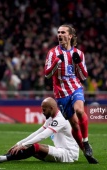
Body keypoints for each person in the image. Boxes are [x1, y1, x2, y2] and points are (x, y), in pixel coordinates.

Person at [44, 24, 98, 164]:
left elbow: (84, 76)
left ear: (70, 36)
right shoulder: (52, 53)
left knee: (80, 111)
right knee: (74, 124)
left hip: (75, 87)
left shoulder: (79, 54)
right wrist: (57, 62)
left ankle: (86, 142)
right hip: (61, 93)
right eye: (58, 32)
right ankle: (86, 153)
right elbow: (47, 74)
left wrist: (78, 63)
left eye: (63, 32)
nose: (59, 35)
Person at [0, 97, 79, 163]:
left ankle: (0, 159)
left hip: (68, 155)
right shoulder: (50, 118)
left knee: (35, 146)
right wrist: (20, 143)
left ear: (52, 108)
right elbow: (38, 132)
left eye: (44, 110)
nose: (42, 112)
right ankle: (1, 157)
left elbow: (43, 135)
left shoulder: (60, 119)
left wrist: (24, 145)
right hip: (59, 151)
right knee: (28, 147)